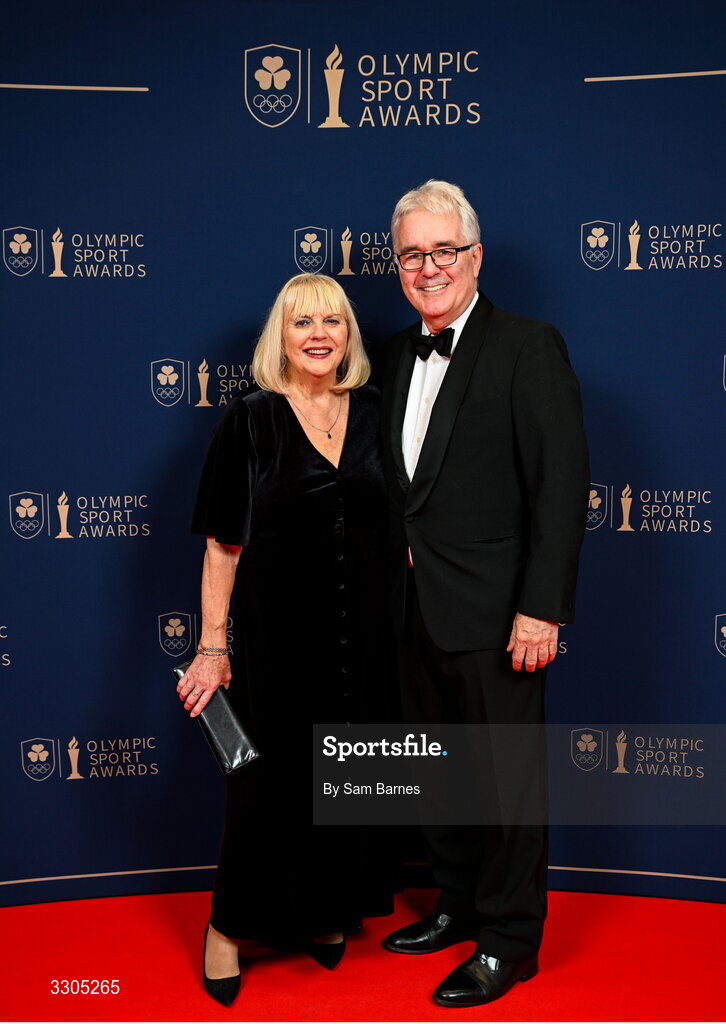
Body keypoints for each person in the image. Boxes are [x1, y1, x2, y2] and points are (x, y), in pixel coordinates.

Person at [380, 180, 589, 1008]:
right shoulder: (393, 354)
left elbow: (561, 484)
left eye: (443, 251)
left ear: (475, 256)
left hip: (502, 615)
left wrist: (543, 607)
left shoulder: (528, 345)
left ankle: (508, 941)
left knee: (507, 787)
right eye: (412, 254)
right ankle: (458, 904)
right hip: (412, 612)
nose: (428, 268)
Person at [177, 273, 398, 1006]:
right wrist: (214, 645)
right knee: (266, 792)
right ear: (282, 335)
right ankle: (228, 929)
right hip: (280, 639)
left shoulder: (372, 410)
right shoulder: (251, 420)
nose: (318, 335)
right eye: (302, 322)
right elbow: (221, 545)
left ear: (347, 335)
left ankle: (326, 914)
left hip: (361, 638)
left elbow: (395, 521)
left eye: (332, 321)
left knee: (347, 782)